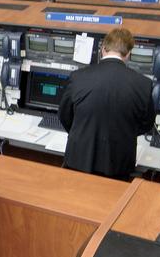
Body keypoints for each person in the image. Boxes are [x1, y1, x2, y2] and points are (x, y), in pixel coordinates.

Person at [57, 28, 154, 180]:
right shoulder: (143, 84)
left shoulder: (78, 77)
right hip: (118, 163)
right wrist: (123, 133)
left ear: (103, 49)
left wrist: (82, 133)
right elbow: (146, 124)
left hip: (79, 158)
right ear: (128, 54)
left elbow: (64, 115)